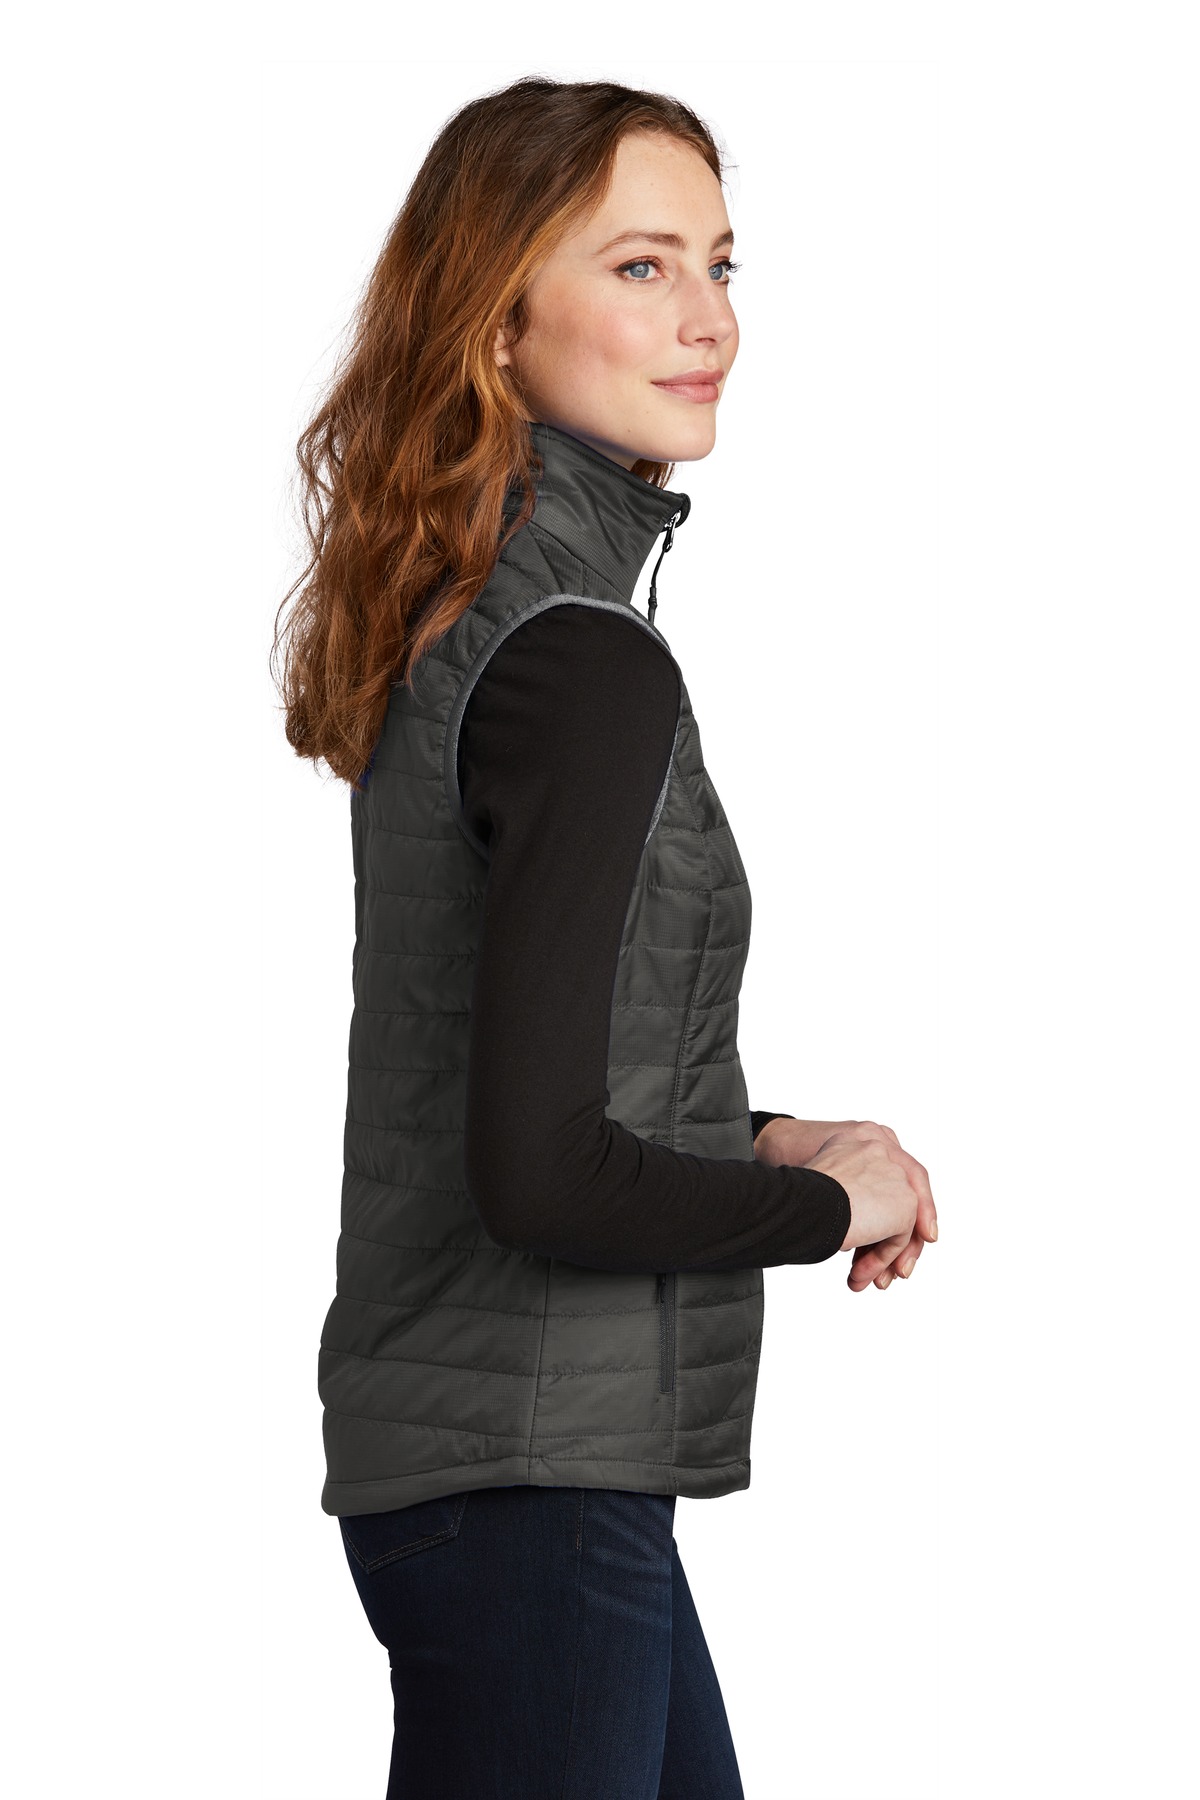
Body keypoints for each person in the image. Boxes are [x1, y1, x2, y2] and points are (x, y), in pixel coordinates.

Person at [273, 73, 938, 1800]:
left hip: (512, 1480)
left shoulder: (486, 608)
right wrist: (834, 1208)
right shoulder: (576, 653)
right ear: (498, 321)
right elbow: (543, 1175)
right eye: (643, 267)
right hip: (530, 1485)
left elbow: (516, 1059)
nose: (710, 320)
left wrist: (759, 1131)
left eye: (720, 263)